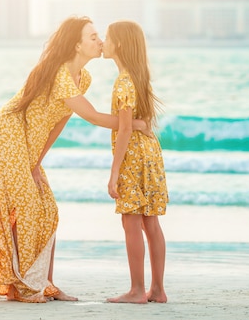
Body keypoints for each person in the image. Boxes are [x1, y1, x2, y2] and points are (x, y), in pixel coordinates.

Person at [0, 16, 150, 303]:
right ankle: (24, 286)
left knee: (47, 210)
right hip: (4, 138)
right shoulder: (60, 75)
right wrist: (134, 124)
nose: (99, 41)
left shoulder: (83, 78)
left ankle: (44, 283)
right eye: (93, 36)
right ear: (76, 45)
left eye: (99, 36)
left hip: (26, 146)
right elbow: (93, 117)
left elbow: (60, 121)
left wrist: (36, 162)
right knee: (26, 207)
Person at [102, 20, 169, 304]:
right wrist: (138, 125)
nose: (103, 43)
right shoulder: (139, 77)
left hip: (133, 156)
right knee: (149, 222)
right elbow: (138, 123)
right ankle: (157, 290)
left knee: (130, 221)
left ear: (118, 44)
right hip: (150, 154)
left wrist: (114, 171)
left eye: (106, 38)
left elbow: (125, 128)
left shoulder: (123, 81)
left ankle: (137, 290)